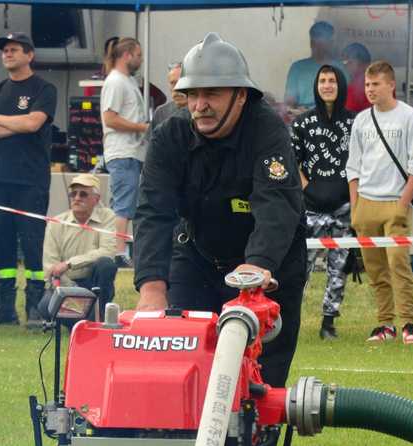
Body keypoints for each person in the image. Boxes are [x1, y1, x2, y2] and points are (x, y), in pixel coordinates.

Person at [133, 32, 307, 390]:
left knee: (259, 385)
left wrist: (259, 263)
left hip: (266, 268)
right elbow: (153, 211)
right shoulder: (168, 137)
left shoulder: (268, 132)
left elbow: (276, 205)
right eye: (192, 94)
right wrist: (151, 284)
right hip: (196, 256)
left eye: (211, 93)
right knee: (179, 368)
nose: (199, 105)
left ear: (241, 95)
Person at [0, 32, 57, 328]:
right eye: (5, 50)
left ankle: (35, 307)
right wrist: (13, 125)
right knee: (2, 242)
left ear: (29, 55)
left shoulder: (43, 89)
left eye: (13, 49)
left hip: (30, 180)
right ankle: (3, 308)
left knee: (32, 243)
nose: (7, 54)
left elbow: (34, 123)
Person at [346, 60, 413, 344]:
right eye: (367, 85)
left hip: (395, 201)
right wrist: (355, 206)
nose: (370, 90)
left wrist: (402, 203)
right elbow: (353, 166)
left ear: (391, 85)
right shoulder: (361, 120)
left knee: (398, 264)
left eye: (376, 84)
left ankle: (409, 323)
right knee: (375, 269)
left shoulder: (410, 117)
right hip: (366, 203)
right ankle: (385, 324)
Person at [291, 64, 354, 340]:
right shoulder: (302, 122)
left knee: (338, 266)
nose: (327, 85)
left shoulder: (354, 122)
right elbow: (291, 161)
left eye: (332, 81)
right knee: (300, 266)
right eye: (322, 81)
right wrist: (308, 188)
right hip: (311, 206)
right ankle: (290, 318)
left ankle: (328, 322)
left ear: (340, 85)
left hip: (343, 206)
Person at [100, 37, 149, 268]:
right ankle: (117, 252)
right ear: (127, 55)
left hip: (133, 152)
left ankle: (120, 249)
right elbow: (110, 118)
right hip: (122, 151)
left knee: (128, 203)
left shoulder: (127, 81)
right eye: (138, 55)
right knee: (123, 204)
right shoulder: (116, 82)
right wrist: (142, 127)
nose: (141, 60)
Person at [42, 173, 117, 321]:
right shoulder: (56, 222)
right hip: (66, 284)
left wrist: (70, 263)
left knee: (106, 265)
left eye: (83, 194)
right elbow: (51, 266)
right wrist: (72, 291)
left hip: (94, 282)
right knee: (45, 307)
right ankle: (84, 320)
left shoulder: (108, 217)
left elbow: (108, 252)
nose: (77, 198)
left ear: (96, 199)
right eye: (73, 194)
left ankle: (97, 315)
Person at [284, 21, 347, 112]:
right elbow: (289, 102)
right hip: (303, 115)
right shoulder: (297, 68)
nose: (319, 46)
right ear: (311, 43)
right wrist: (295, 109)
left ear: (331, 43)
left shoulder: (340, 68)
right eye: (316, 42)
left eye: (324, 42)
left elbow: (346, 99)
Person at [151, 62, 188, 130]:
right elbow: (149, 140)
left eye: (181, 82)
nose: (176, 88)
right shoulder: (161, 113)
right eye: (172, 83)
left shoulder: (200, 110)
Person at [342, 43, 371, 113]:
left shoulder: (354, 88)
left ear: (364, 64)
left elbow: (347, 112)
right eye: (344, 63)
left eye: (349, 62)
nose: (345, 66)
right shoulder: (382, 83)